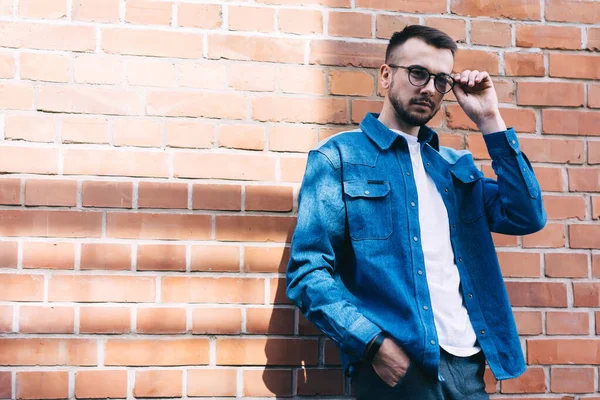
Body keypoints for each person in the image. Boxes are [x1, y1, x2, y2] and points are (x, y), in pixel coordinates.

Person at [286, 25, 546, 400]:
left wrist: (490, 120)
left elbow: (527, 216)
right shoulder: (339, 158)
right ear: (386, 75)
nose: (428, 88)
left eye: (441, 80)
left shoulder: (456, 169)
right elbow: (307, 270)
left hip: (467, 367)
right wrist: (374, 345)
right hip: (396, 369)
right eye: (418, 73)